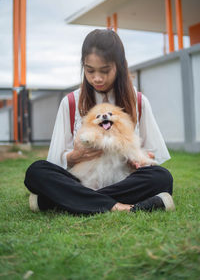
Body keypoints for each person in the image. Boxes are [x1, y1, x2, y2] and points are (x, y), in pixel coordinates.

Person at [24, 29, 175, 215]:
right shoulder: (70, 102)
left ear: (119, 66)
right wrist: (76, 156)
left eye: (105, 70)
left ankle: (57, 200)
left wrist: (140, 160)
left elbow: (153, 156)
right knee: (36, 172)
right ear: (83, 67)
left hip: (124, 180)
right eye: (89, 70)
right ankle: (118, 206)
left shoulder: (138, 101)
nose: (97, 78)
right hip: (82, 180)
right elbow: (56, 160)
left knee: (162, 178)